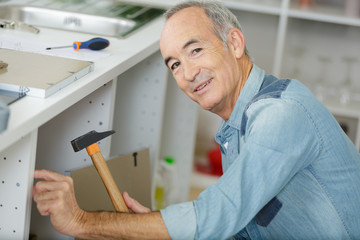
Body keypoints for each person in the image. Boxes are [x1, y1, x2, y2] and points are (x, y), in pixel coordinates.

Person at [33, 1, 360, 239]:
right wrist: (154, 228)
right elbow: (238, 229)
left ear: (234, 43)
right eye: (174, 64)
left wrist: (82, 223)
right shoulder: (236, 127)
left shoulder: (279, 116)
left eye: (195, 50)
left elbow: (216, 217)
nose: (187, 74)